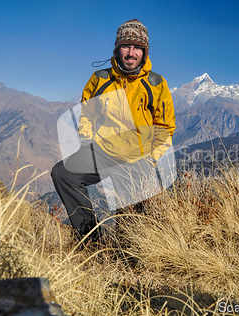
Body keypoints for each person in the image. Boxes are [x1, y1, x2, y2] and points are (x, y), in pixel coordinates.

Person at [51, 19, 176, 243]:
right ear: (117, 49)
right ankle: (90, 240)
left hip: (136, 159)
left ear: (145, 52)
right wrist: (88, 142)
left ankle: (128, 250)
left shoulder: (156, 83)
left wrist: (151, 160)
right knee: (63, 174)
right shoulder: (100, 80)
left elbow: (165, 128)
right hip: (102, 152)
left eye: (137, 47)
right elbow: (87, 115)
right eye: (126, 46)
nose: (131, 52)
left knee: (129, 235)